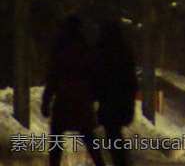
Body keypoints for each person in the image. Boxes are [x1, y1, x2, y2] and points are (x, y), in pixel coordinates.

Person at [41, 15, 105, 166]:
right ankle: (100, 164)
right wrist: (94, 96)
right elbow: (95, 75)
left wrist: (46, 100)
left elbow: (53, 77)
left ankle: (54, 164)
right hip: (82, 100)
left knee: (56, 136)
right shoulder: (85, 48)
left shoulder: (60, 49)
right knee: (88, 135)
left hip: (64, 99)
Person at [93, 21, 137, 166]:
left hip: (109, 99)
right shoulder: (125, 51)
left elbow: (98, 75)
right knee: (114, 133)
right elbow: (131, 79)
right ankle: (121, 161)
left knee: (112, 133)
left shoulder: (102, 51)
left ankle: (120, 161)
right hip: (121, 99)